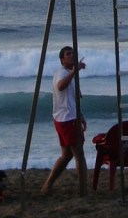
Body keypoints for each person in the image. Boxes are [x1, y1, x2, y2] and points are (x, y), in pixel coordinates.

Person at [40, 46, 87, 196]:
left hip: (66, 118)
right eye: (68, 54)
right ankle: (83, 190)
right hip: (67, 119)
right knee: (79, 154)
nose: (72, 55)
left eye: (73, 53)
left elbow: (73, 98)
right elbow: (60, 86)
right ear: (62, 59)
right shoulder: (62, 73)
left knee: (67, 155)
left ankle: (47, 186)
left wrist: (81, 116)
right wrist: (74, 71)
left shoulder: (69, 73)